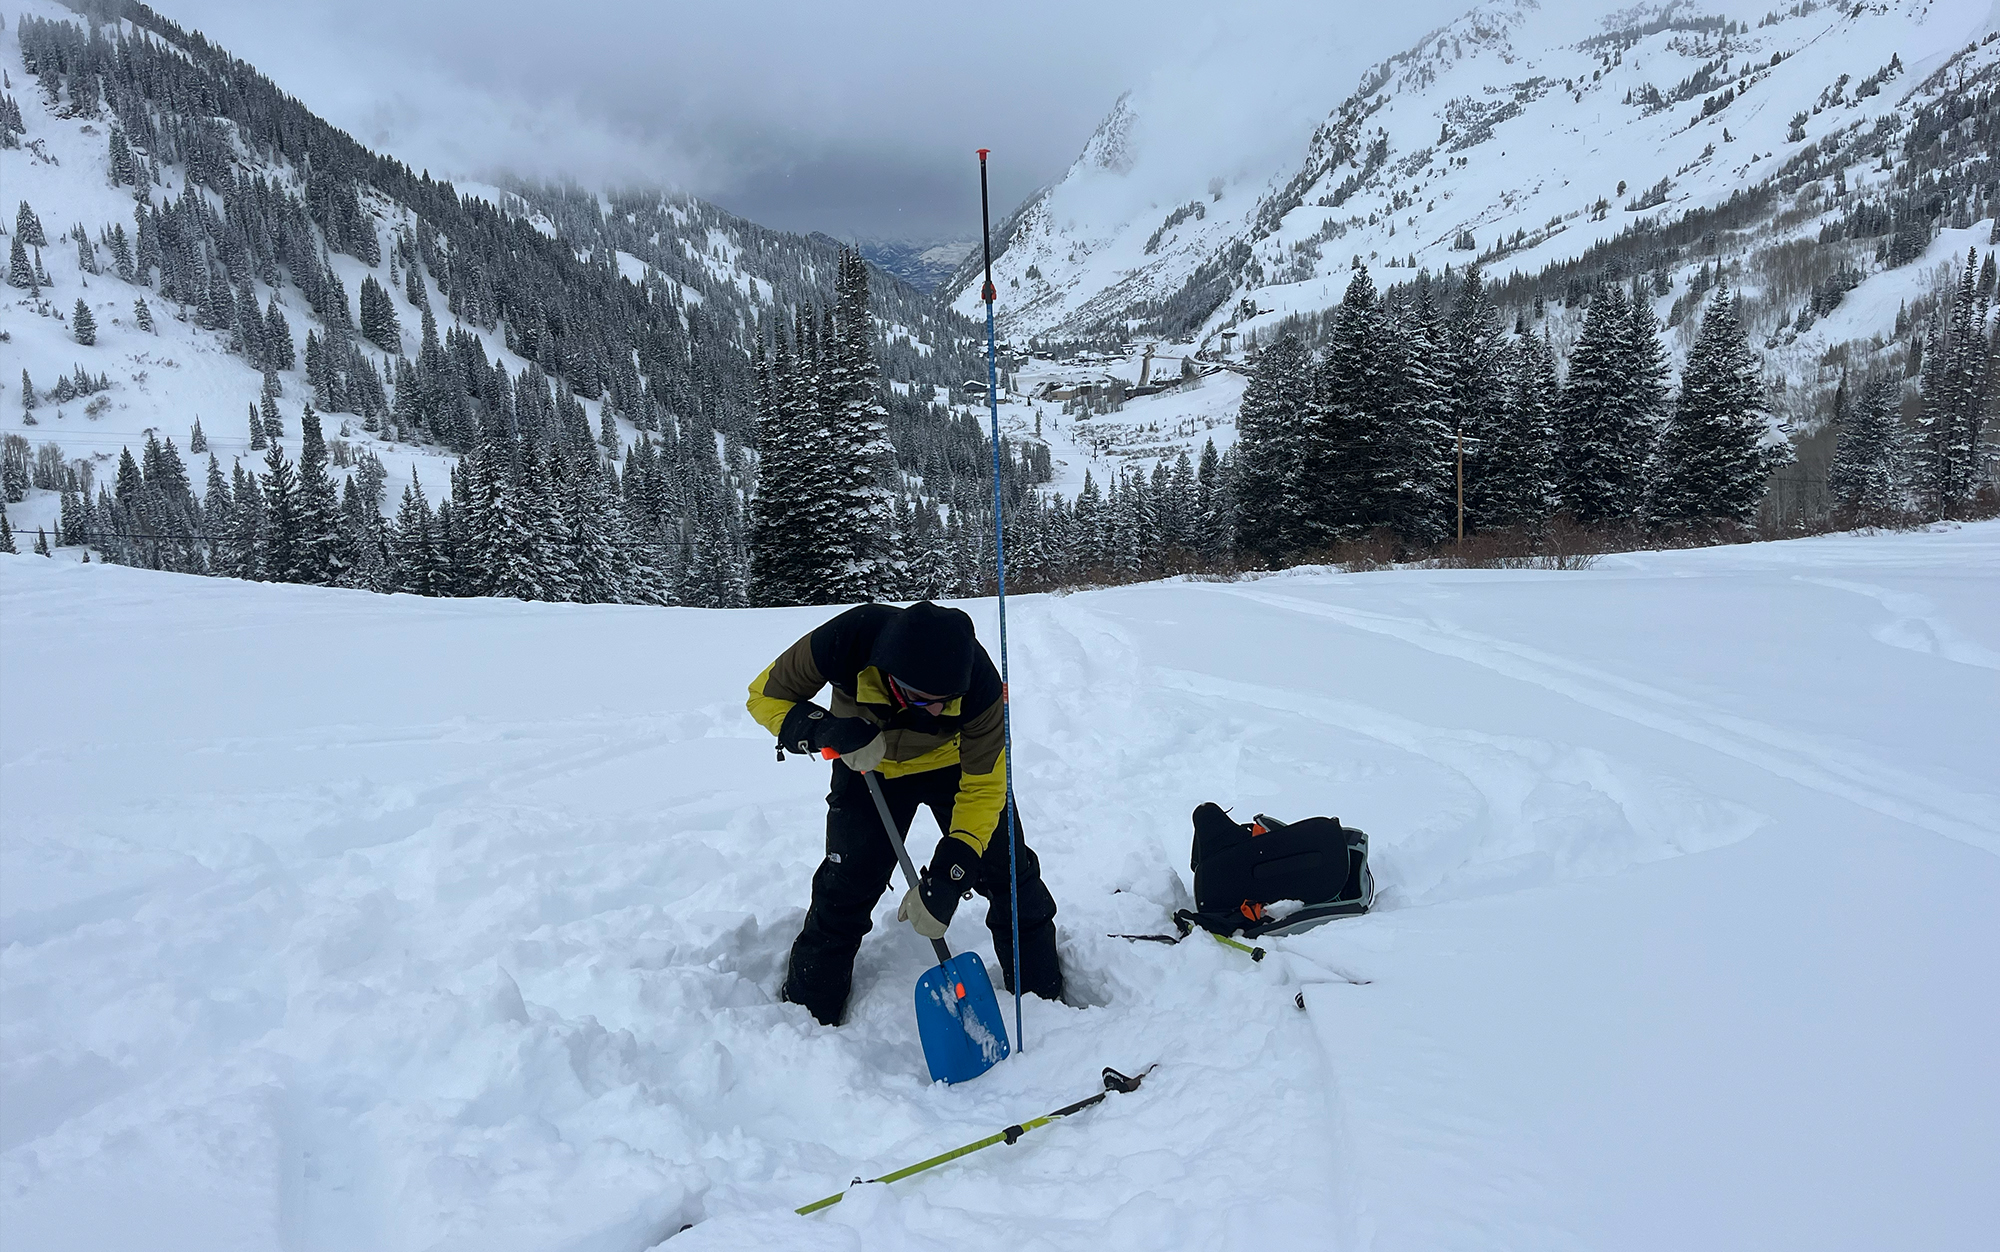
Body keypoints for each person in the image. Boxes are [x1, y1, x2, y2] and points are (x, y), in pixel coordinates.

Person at [747, 600, 1062, 1026]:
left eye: (946, 701)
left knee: (1009, 873)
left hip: (953, 764)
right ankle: (808, 1016)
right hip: (866, 765)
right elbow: (764, 694)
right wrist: (824, 729)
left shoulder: (980, 682)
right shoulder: (847, 639)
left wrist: (955, 867)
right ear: (891, 675)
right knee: (846, 888)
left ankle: (1044, 1003)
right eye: (922, 699)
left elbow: (986, 784)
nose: (936, 710)